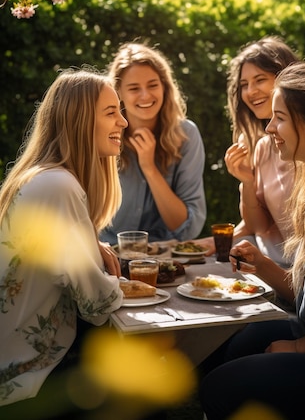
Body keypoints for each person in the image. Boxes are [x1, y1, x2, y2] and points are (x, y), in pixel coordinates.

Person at [200, 61, 305, 420]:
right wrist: (264, 267)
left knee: (218, 389)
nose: (269, 128)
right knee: (233, 349)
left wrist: (298, 348)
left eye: (280, 118)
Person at [0, 67, 128, 417]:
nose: (124, 122)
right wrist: (116, 280)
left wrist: (91, 243)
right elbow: (97, 305)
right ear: (81, 120)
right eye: (111, 112)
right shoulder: (59, 186)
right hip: (25, 377)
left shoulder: (43, 178)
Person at [196, 36, 299, 266]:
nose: (251, 91)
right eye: (244, 85)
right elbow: (258, 227)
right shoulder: (262, 147)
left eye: (260, 80)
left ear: (286, 77)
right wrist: (248, 182)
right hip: (270, 266)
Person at [99, 42, 206, 245]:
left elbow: (186, 228)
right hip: (107, 251)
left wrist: (149, 167)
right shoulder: (102, 134)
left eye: (152, 85)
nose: (145, 95)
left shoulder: (186, 135)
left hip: (165, 255)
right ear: (118, 93)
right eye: (134, 88)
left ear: (165, 87)